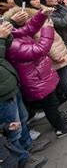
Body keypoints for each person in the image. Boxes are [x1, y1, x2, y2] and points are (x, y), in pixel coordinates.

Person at [6, 9, 67, 139]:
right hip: (35, 78)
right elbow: (39, 50)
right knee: (50, 104)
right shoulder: (12, 44)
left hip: (39, 74)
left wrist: (42, 15)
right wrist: (47, 29)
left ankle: (59, 120)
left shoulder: (12, 35)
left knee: (52, 101)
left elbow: (29, 29)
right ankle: (60, 128)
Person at [0, 21, 48, 167]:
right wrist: (1, 38)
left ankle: (28, 146)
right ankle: (22, 160)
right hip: (3, 95)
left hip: (9, 85)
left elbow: (6, 47)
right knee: (12, 130)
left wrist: (6, 34)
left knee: (22, 118)